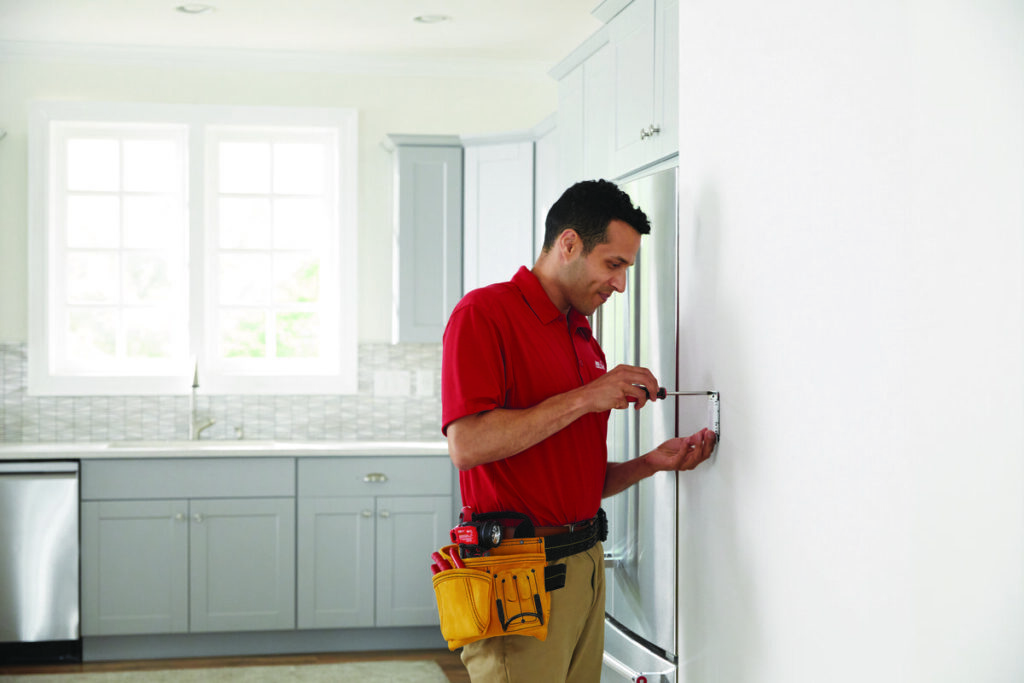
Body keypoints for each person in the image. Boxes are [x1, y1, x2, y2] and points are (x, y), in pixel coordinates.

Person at [441, 179, 716, 682]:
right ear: (568, 244)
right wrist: (589, 396)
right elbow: (467, 445)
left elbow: (570, 478)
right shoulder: (484, 314)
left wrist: (651, 462)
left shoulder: (582, 336)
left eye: (627, 269)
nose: (620, 285)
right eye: (613, 264)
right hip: (518, 575)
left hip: (584, 566)